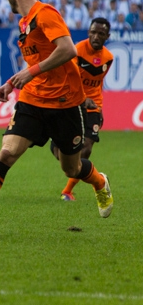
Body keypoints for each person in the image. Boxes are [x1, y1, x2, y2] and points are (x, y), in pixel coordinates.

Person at [0, 0, 113, 238]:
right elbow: (34, 62)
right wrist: (13, 82)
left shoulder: (45, 14)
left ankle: (99, 181)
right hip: (33, 100)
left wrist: (30, 72)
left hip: (64, 104)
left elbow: (67, 49)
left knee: (70, 167)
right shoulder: (25, 22)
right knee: (7, 152)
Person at [52, 17, 113, 201]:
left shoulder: (108, 58)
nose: (96, 36)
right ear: (88, 32)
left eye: (101, 34)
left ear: (107, 36)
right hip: (72, 103)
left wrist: (97, 106)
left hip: (93, 107)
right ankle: (96, 178)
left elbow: (97, 83)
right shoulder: (76, 50)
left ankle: (67, 191)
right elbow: (68, 78)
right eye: (93, 32)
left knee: (85, 149)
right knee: (61, 154)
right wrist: (81, 98)